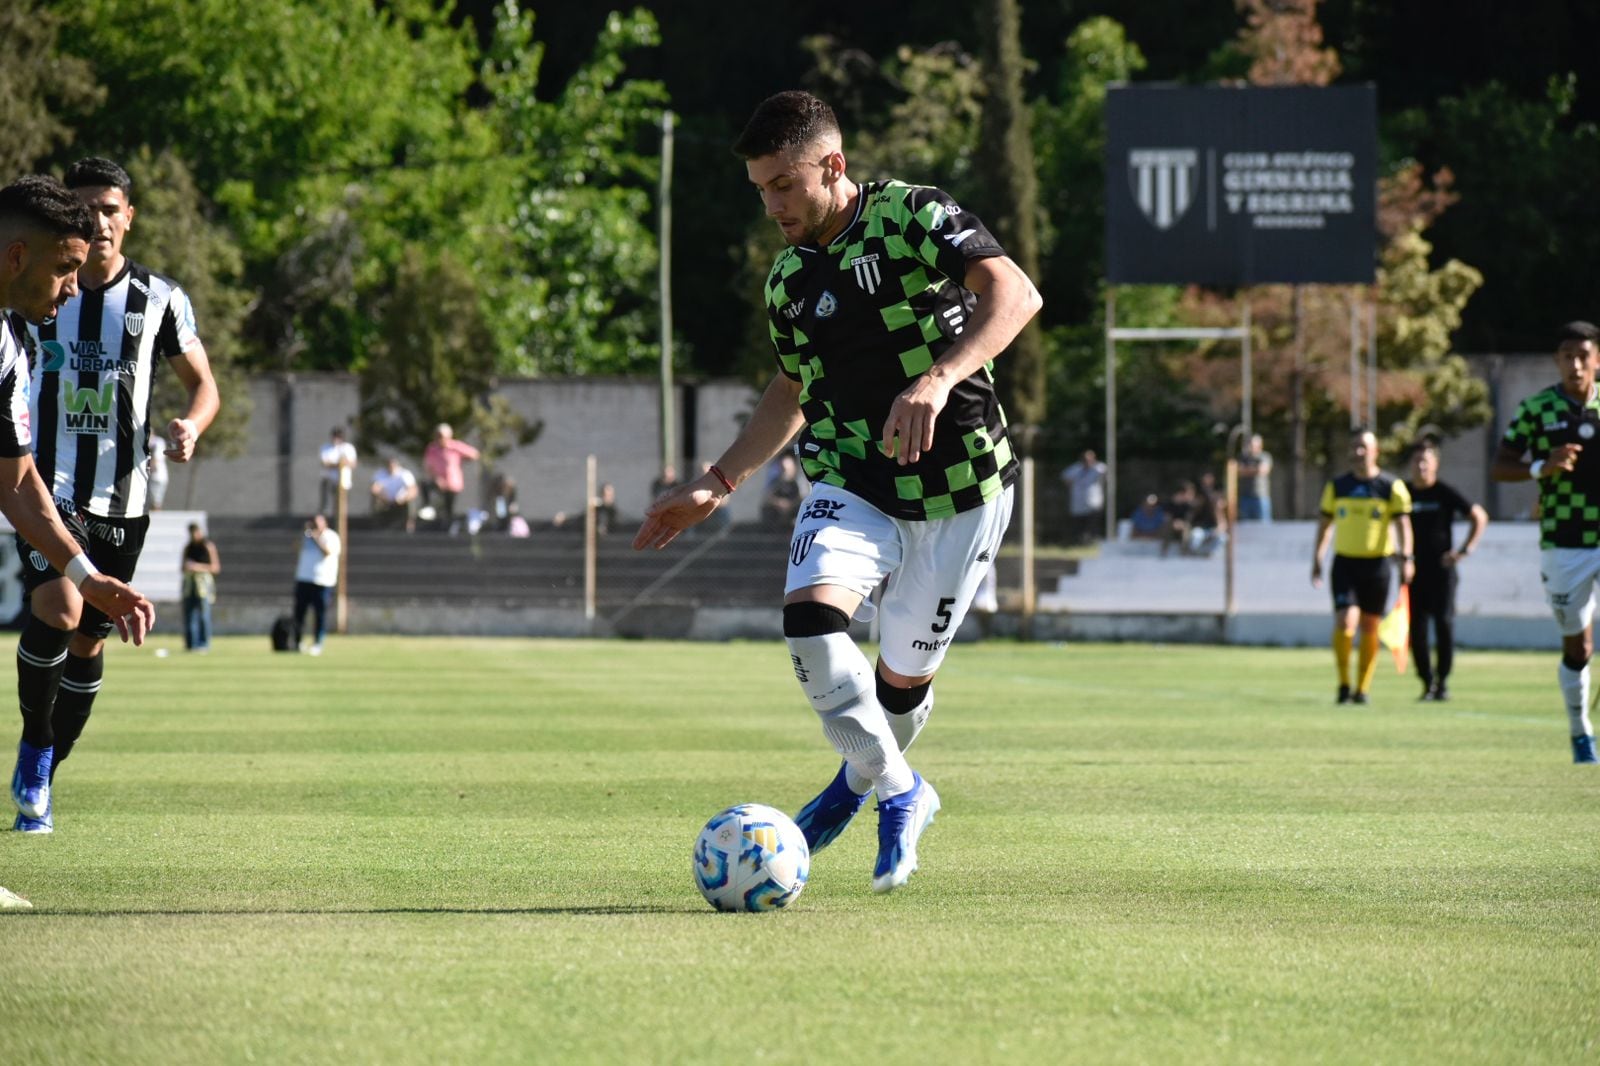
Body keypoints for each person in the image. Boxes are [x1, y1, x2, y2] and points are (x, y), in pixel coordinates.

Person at [634, 91, 1041, 893]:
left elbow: (1016, 296)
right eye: (761, 190)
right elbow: (792, 390)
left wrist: (936, 378)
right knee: (812, 623)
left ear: (834, 166)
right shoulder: (787, 282)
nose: (773, 205)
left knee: (899, 683)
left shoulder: (912, 216)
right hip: (851, 476)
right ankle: (900, 792)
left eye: (784, 184)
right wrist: (719, 482)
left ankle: (849, 789)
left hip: (963, 487)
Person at [12, 161, 202, 834]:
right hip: (48, 486)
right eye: (85, 207)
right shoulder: (34, 298)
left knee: (90, 645)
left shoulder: (160, 299)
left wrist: (192, 424)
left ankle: (45, 772)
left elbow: (204, 385)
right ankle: (35, 749)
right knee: (60, 604)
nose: (97, 219)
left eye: (109, 208)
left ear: (130, 216)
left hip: (125, 500)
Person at [1490, 321, 1600, 763]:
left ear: (1597, 359)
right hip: (1564, 540)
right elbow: (1501, 466)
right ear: (1557, 361)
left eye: (1583, 355)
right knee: (1578, 646)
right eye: (1566, 356)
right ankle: (1580, 733)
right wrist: (1542, 466)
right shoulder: (1537, 409)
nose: (1575, 364)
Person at [1311, 427, 1414, 705]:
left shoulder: (1391, 487)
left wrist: (1407, 558)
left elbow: (1404, 524)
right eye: (1354, 446)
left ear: (1375, 451)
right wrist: (1317, 558)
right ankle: (1344, 684)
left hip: (1378, 565)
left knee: (1370, 626)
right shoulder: (1337, 486)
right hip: (1345, 564)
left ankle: (1362, 689)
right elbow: (1324, 526)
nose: (1358, 452)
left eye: (1364, 447)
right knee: (1346, 621)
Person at [1405, 441, 1488, 701]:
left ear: (1435, 465)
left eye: (1425, 461)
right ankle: (1426, 681)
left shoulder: (1444, 492)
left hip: (1442, 572)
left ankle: (1443, 681)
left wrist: (1464, 550)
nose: (1421, 466)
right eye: (1417, 461)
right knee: (1416, 629)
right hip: (1412, 572)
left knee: (1444, 624)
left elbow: (1479, 516)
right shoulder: (1403, 493)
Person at [292, 514, 340, 656]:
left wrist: (316, 537)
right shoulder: (306, 536)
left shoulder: (331, 536)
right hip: (303, 579)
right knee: (299, 613)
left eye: (318, 523)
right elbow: (295, 548)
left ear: (324, 523)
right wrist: (303, 535)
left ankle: (318, 643)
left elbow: (327, 552)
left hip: (322, 581)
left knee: (319, 614)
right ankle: (297, 642)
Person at [422, 422, 479, 530]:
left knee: (449, 509)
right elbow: (428, 466)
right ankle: (428, 507)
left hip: (453, 484)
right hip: (439, 482)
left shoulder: (454, 447)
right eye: (437, 435)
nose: (439, 438)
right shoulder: (432, 449)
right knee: (425, 485)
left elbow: (474, 454)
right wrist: (436, 478)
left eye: (441, 436)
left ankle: (449, 528)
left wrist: (463, 459)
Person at [180, 522, 220, 652]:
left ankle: (204, 644)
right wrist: (188, 568)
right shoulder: (188, 548)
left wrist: (198, 567)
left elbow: (215, 568)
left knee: (203, 614)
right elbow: (182, 567)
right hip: (190, 585)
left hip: (203, 585)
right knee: (189, 614)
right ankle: (191, 644)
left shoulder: (208, 546)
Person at [1060, 449, 1106, 545]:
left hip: (1093, 504)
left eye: (1089, 460)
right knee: (1078, 527)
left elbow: (1104, 471)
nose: (1087, 462)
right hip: (1078, 504)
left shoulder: (1097, 468)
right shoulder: (1076, 469)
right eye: (1085, 460)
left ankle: (1092, 543)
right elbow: (1065, 477)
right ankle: (1079, 543)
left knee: (1092, 526)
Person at [370, 455, 419, 532]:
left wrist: (403, 498)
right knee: (376, 500)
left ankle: (409, 525)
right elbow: (374, 488)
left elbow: (413, 490)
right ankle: (377, 526)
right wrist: (383, 496)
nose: (392, 466)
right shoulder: (380, 474)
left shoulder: (405, 474)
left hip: (401, 501)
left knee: (411, 501)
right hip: (385, 500)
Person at [1187, 471, 1229, 556]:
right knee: (1195, 536)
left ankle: (1208, 554)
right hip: (1200, 528)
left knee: (1223, 537)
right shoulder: (1198, 496)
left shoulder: (1217, 497)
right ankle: (1197, 554)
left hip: (1212, 529)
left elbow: (1222, 523)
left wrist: (1218, 529)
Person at [318, 427, 357, 517]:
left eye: (338, 436)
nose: (336, 439)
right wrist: (339, 464)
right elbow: (325, 463)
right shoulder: (326, 447)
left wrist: (341, 463)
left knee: (341, 505)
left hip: (343, 482)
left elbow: (353, 463)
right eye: (334, 436)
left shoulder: (348, 448)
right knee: (326, 505)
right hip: (329, 480)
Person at [760, 453, 804, 528]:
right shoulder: (776, 482)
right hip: (778, 511)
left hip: (793, 510)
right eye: (783, 469)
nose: (785, 472)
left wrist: (790, 504)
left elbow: (802, 497)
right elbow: (768, 497)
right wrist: (779, 503)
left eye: (787, 469)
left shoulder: (798, 482)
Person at [1237, 433, 1274, 522]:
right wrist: (1255, 470)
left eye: (1252, 444)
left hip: (1260, 497)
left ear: (1259, 445)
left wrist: (1247, 470)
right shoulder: (1243, 457)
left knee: (1264, 524)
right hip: (1245, 497)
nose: (1250, 446)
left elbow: (1263, 471)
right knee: (1245, 525)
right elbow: (1239, 471)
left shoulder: (1265, 456)